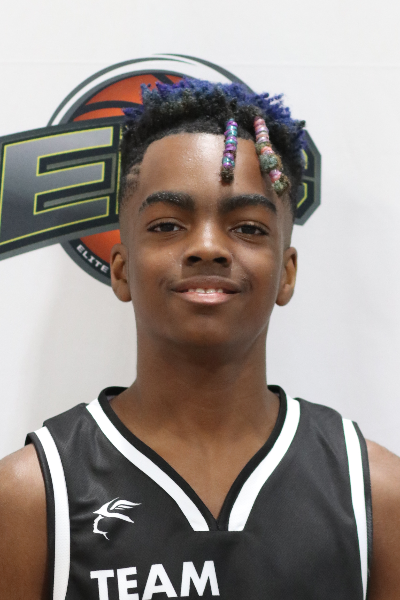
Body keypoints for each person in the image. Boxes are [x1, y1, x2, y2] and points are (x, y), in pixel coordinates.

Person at [0, 78, 399, 600]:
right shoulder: (31, 496)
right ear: (120, 270)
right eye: (167, 226)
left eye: (249, 228)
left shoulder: (374, 493)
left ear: (286, 274)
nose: (207, 247)